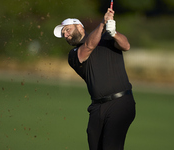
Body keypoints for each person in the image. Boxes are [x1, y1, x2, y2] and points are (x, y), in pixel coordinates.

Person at [53, 8, 136, 150]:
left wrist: (113, 32)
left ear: (79, 27)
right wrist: (103, 24)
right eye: (63, 34)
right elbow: (89, 45)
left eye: (67, 30)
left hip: (121, 102)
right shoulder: (73, 55)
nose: (65, 35)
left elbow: (126, 46)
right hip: (97, 108)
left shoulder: (107, 39)